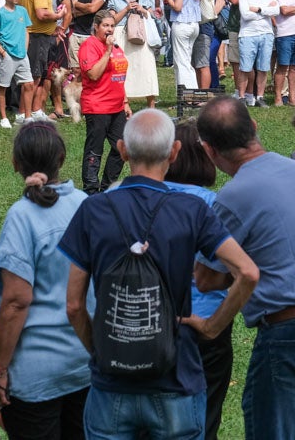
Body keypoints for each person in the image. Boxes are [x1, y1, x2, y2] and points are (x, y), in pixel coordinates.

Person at [59, 109, 259, 440]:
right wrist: (211, 327)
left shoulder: (93, 209)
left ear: (122, 151)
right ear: (174, 152)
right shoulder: (192, 210)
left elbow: (74, 306)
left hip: (112, 383)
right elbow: (248, 273)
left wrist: (100, 350)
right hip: (176, 377)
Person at [195, 97, 295, 440]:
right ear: (254, 127)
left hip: (290, 332)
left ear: (209, 151)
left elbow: (206, 279)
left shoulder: (234, 196)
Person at [0, 122, 91, 439]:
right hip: (86, 364)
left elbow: (16, 302)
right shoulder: (86, 204)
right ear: (61, 158)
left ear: (16, 164)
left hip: (36, 376)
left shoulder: (21, 215)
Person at [163, 119, 237, 440]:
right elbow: (235, 270)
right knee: (204, 418)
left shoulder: (142, 198)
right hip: (207, 325)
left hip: (152, 322)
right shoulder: (215, 204)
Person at [79, 12, 130, 194]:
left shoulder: (116, 46)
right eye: (105, 26)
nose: (109, 29)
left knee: (123, 146)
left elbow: (119, 76)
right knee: (95, 149)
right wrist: (107, 51)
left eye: (111, 25)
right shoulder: (89, 46)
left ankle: (108, 186)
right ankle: (91, 189)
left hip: (116, 106)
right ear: (96, 26)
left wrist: (125, 101)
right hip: (97, 105)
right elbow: (93, 74)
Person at [236, 0, 280, 107]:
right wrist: (266, 10)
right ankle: (242, 96)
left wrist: (259, 9)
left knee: (263, 67)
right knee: (245, 67)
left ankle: (259, 97)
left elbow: (276, 11)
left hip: (266, 32)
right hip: (248, 33)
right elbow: (245, 14)